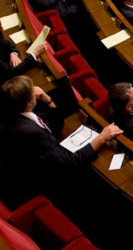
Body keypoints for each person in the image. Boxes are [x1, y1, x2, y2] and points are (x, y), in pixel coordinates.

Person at [0, 76, 121, 205]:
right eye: (32, 90)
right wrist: (101, 138)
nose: (36, 89)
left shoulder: (17, 116)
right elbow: (68, 165)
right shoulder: (29, 132)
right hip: (52, 187)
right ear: (29, 102)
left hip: (46, 167)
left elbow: (55, 126)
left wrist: (47, 100)